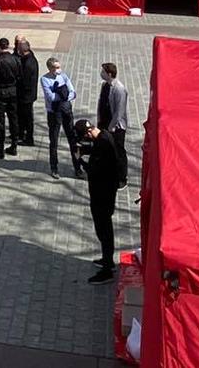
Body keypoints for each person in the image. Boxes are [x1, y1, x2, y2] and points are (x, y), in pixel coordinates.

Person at [76, 118, 127, 284]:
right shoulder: (104, 135)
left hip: (102, 195)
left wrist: (81, 161)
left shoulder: (102, 145)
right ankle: (107, 260)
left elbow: (94, 170)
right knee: (104, 229)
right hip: (106, 193)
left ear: (87, 133)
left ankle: (107, 269)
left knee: (103, 229)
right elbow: (98, 150)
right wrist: (86, 150)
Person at [40, 58, 81, 179]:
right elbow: (50, 97)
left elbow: (73, 93)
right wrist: (63, 95)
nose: (59, 70)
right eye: (56, 67)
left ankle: (77, 167)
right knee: (54, 141)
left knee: (72, 139)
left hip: (66, 111)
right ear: (50, 68)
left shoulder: (63, 76)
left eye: (59, 67)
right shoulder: (45, 79)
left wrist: (64, 96)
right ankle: (54, 167)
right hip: (53, 113)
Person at [0, 39, 20, 158]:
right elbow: (19, 75)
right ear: (8, 46)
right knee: (13, 119)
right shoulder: (15, 59)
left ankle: (0, 149)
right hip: (13, 91)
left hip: (1, 92)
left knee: (0, 121)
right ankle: (14, 145)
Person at [99, 62, 130, 182]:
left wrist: (112, 126)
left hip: (116, 127)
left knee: (118, 151)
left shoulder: (119, 89)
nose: (101, 74)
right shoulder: (105, 85)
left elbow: (119, 111)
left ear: (109, 74)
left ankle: (122, 177)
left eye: (103, 72)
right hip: (104, 123)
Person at [12, 37, 41, 146]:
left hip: (26, 96)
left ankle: (29, 138)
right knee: (23, 116)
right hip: (27, 94)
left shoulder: (28, 63)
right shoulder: (29, 57)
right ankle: (21, 133)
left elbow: (24, 80)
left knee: (27, 117)